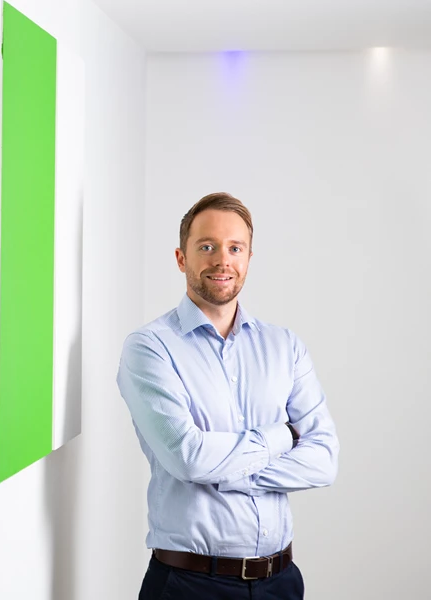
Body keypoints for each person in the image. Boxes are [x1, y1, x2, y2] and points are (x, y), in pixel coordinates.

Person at [116, 192, 339, 600]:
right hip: (189, 585)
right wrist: (282, 437)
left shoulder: (284, 347)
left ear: (249, 258)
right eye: (207, 246)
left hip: (282, 582)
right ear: (182, 258)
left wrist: (220, 470)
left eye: (235, 248)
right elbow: (188, 457)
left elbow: (323, 461)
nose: (222, 260)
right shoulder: (150, 348)